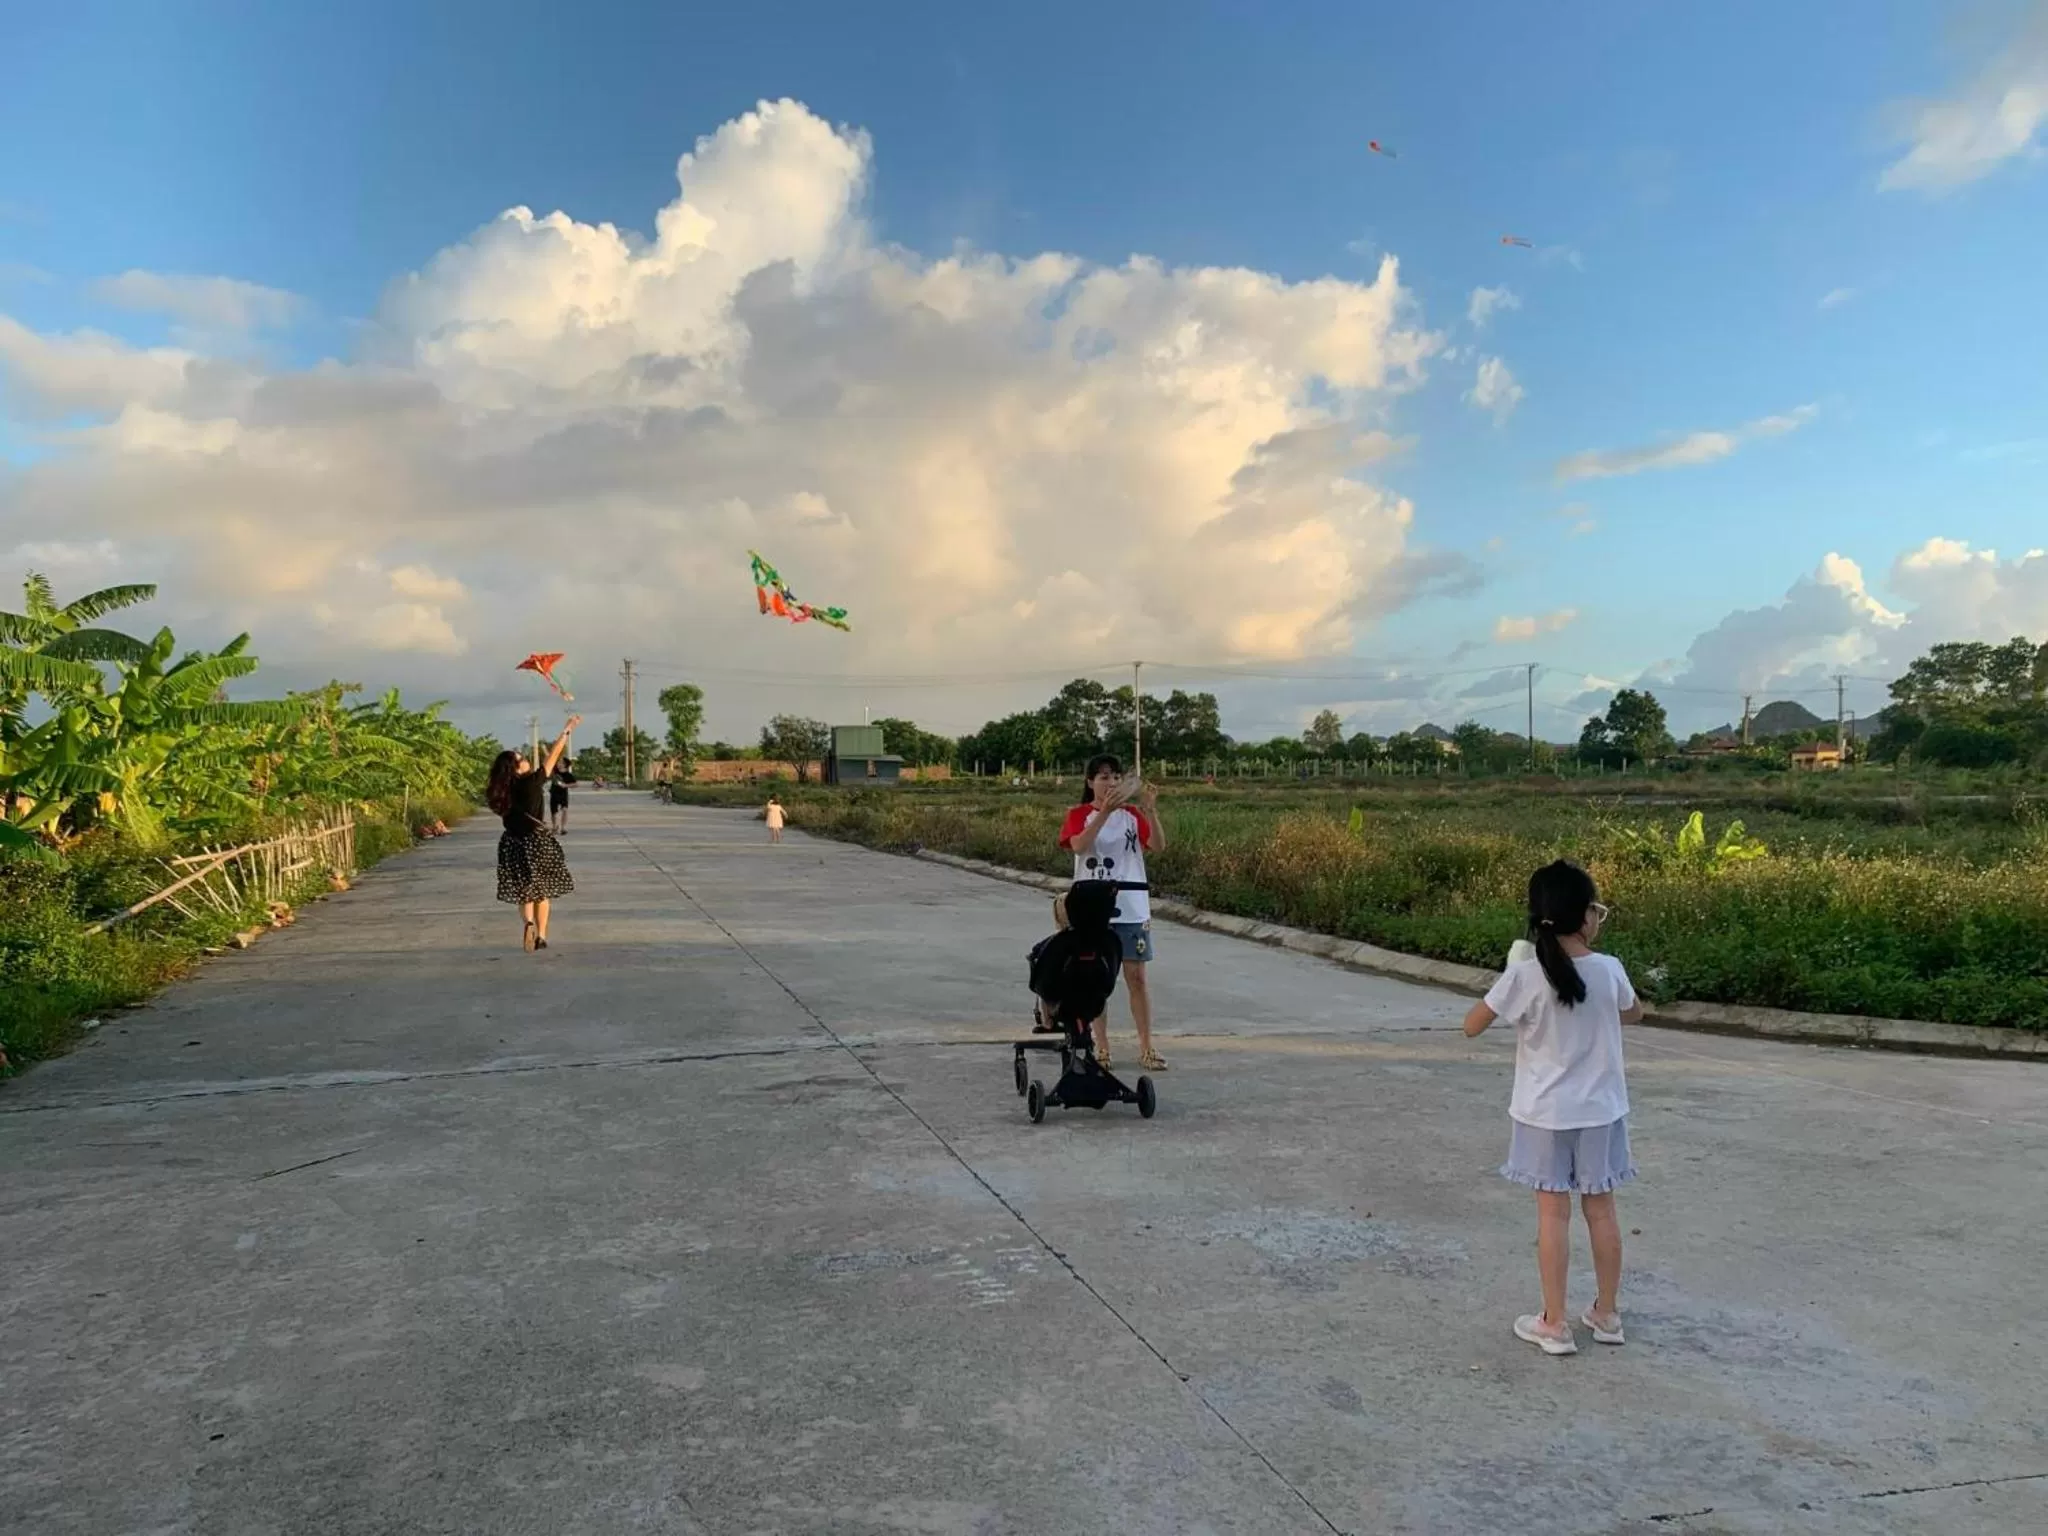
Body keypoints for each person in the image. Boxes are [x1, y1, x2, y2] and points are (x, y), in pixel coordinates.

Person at [1463, 860, 1644, 1357]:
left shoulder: (1523, 975)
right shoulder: (1609, 970)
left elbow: (1471, 1025)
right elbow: (1635, 1011)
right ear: (1585, 916)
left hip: (1544, 1115)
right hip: (1602, 1113)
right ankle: (1607, 1315)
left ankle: (1554, 1322)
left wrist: (1509, 980)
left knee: (1553, 1216)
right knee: (1602, 1210)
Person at [1059, 754, 1168, 1072]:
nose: (1111, 782)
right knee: (1095, 979)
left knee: (1137, 978)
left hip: (1131, 906)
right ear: (1090, 782)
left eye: (1116, 777)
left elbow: (1158, 845)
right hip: (1092, 907)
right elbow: (1079, 846)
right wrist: (1104, 813)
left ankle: (1147, 1047)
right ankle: (1101, 1047)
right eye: (1103, 777)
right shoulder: (1079, 814)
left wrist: (1150, 810)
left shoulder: (1133, 815)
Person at [486, 717, 580, 952]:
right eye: (522, 759)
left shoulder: (502, 791)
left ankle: (528, 923)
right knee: (543, 891)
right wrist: (567, 730)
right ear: (517, 768)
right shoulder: (533, 783)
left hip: (512, 842)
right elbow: (554, 755)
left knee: (524, 890)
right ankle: (543, 935)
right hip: (537, 841)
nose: (526, 760)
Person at [549, 762, 575, 834]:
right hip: (554, 793)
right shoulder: (555, 771)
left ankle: (563, 828)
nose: (559, 764)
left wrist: (565, 785)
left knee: (564, 810)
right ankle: (555, 827)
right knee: (554, 812)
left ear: (565, 766)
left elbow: (575, 784)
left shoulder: (568, 775)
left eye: (562, 763)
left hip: (563, 794)